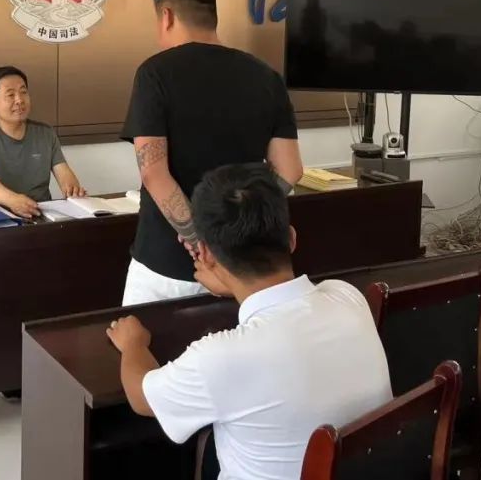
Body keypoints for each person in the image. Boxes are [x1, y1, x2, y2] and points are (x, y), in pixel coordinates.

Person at [106, 164, 392, 480]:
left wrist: (133, 345)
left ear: (205, 254)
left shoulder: (220, 357)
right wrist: (233, 285)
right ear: (291, 238)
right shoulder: (348, 298)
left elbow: (142, 398)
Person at [120, 0, 304, 305]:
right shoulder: (266, 76)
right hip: (241, 268)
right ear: (212, 18)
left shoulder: (155, 73)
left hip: (166, 265)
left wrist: (199, 239)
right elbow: (290, 170)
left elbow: (153, 172)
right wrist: (234, 231)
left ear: (167, 17)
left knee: (145, 339)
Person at [0, 65, 85, 219]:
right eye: (10, 95)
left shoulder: (45, 133)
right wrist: (13, 201)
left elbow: (64, 173)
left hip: (39, 215)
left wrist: (73, 191)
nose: (19, 100)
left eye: (23, 92)